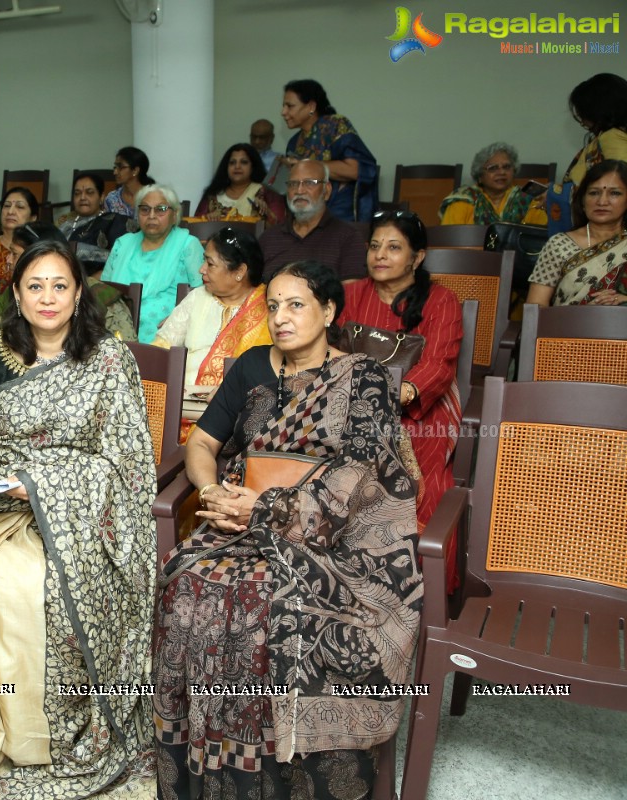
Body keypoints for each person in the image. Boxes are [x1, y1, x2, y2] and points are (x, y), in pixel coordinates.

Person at [154, 260, 422, 799]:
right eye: (272, 305)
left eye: (296, 304)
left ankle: (282, 781)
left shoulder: (365, 377)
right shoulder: (251, 367)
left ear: (327, 311)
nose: (281, 317)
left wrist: (268, 510)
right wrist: (213, 494)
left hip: (336, 539)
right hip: (239, 516)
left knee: (265, 601)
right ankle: (205, 774)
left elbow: (359, 473)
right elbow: (203, 445)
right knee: (186, 583)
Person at [0, 239, 156, 800]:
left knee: (23, 585)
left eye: (60, 286)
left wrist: (45, 485)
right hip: (0, 497)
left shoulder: (110, 357)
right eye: (34, 286)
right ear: (16, 295)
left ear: (77, 293)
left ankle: (41, 736)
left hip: (83, 510)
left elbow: (126, 461)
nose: (47, 298)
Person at [336, 210, 463, 590]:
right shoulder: (350, 293)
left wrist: (396, 394)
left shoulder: (441, 300)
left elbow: (440, 363)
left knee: (430, 487)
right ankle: (348, 582)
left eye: (394, 247)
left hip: (418, 410)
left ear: (417, 257)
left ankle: (428, 589)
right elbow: (328, 348)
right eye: (375, 246)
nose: (381, 255)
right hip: (350, 405)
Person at [154, 226, 272, 388]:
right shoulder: (197, 297)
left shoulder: (270, 307)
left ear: (240, 271)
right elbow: (160, 349)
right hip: (182, 400)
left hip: (238, 406)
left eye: (210, 263)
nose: (201, 269)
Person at [0, 223, 137, 342]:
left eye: (14, 254)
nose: (8, 260)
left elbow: (127, 359)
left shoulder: (101, 299)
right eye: (35, 287)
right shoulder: (16, 291)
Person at [100, 184, 204, 344]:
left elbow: (203, 294)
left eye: (161, 209)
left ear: (175, 214)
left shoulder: (188, 245)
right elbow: (103, 290)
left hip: (166, 333)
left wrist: (180, 319)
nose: (151, 215)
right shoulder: (123, 244)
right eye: (145, 209)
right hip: (115, 327)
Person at [527, 159, 627, 307]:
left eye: (614, 193)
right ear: (582, 201)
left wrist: (623, 301)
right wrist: (583, 313)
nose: (602, 201)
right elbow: (535, 306)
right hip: (566, 328)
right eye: (594, 193)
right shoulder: (559, 244)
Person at [279, 79, 378, 222]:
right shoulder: (293, 142)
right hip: (305, 216)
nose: (283, 112)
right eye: (283, 106)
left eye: (290, 106)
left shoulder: (335, 125)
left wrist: (307, 165)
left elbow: (357, 170)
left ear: (311, 106)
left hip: (340, 216)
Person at [258, 159, 367, 283]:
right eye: (293, 184)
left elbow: (352, 295)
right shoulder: (269, 238)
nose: (299, 191)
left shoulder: (348, 237)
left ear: (326, 190)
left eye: (309, 183)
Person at [545, 73, 627, 236]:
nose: (582, 121)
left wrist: (556, 192)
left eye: (584, 113)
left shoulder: (612, 138)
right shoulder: (609, 137)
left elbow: (618, 182)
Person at [439, 143, 548, 226]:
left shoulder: (527, 200)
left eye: (506, 167)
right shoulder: (463, 200)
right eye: (493, 168)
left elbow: (539, 239)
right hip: (471, 255)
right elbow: (449, 240)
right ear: (480, 176)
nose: (501, 172)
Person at [194, 143, 286, 225]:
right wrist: (208, 219)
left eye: (244, 162)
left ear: (253, 167)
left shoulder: (267, 192)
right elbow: (196, 225)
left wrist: (266, 212)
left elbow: (280, 226)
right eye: (232, 163)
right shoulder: (213, 194)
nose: (237, 167)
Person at [54, 171, 130, 269]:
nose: (82, 197)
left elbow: (119, 261)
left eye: (89, 193)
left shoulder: (114, 222)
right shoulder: (63, 222)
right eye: (77, 193)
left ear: (101, 197)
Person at [104, 145, 155, 220]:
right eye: (115, 167)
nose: (115, 172)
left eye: (121, 167)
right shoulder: (112, 199)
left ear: (135, 170)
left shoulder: (155, 196)